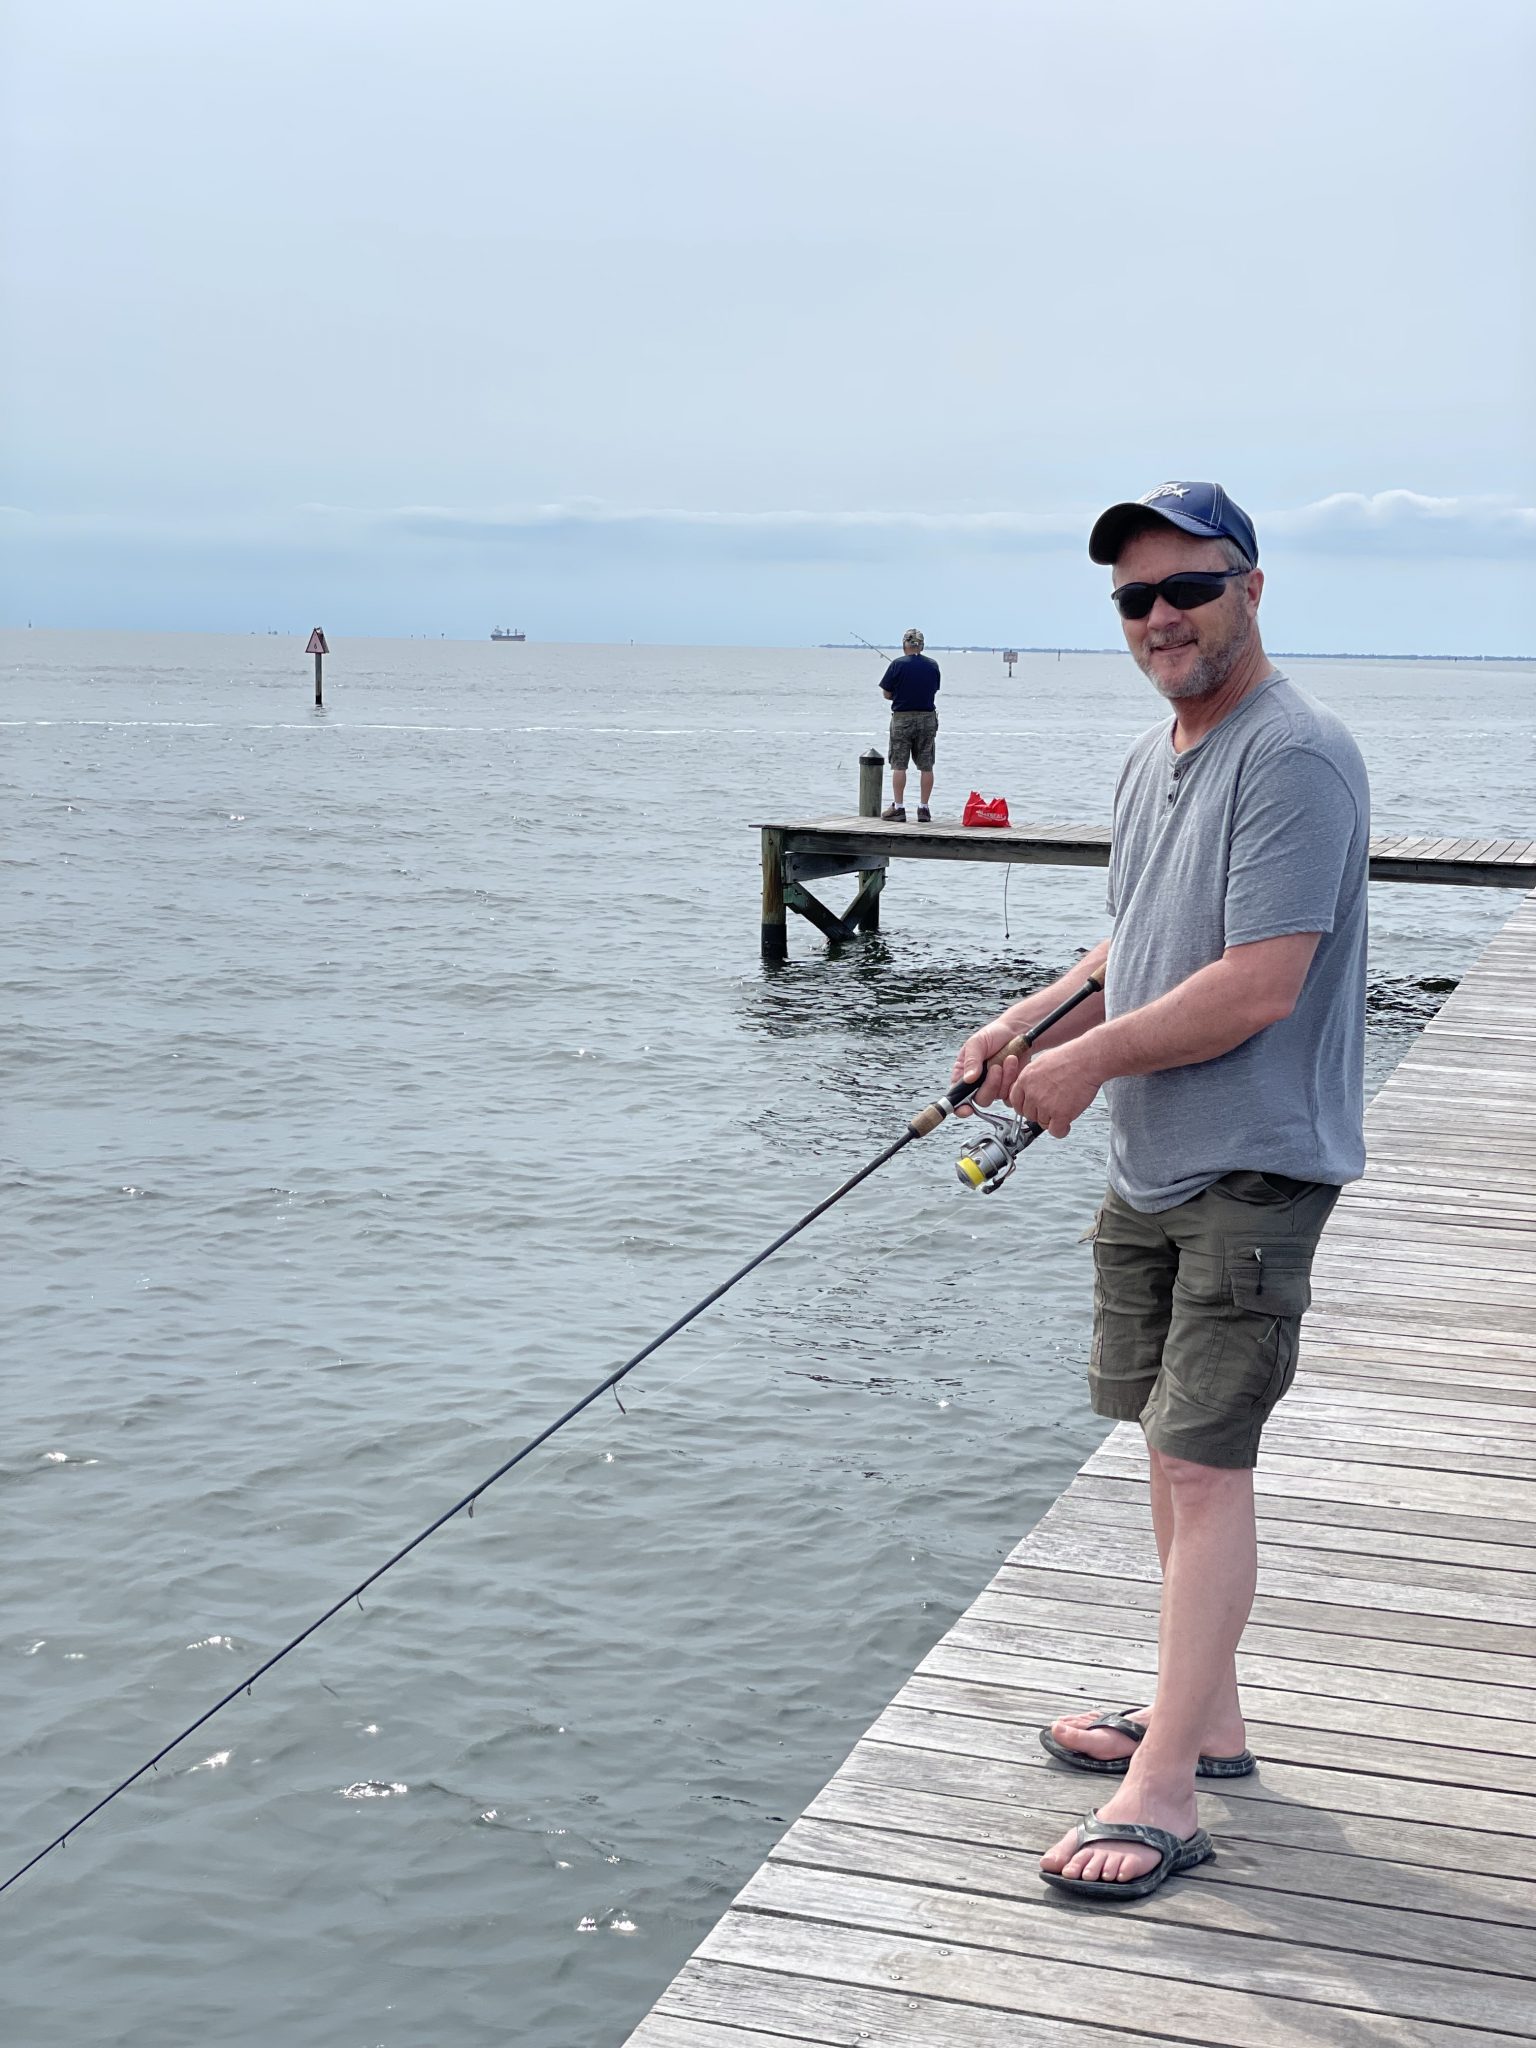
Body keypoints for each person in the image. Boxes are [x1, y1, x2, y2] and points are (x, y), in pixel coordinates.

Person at [951, 481, 1369, 1902]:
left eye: (1186, 588)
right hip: (1153, 1161)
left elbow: (1260, 983)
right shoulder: (1154, 761)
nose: (1159, 618)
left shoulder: (1294, 755)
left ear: (1253, 588)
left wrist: (1084, 1067)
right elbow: (1134, 942)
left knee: (1205, 1460)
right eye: (1133, 598)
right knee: (1161, 1448)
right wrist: (1029, 1027)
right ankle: (1210, 1717)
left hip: (1254, 1164)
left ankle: (1170, 1787)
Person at [878, 629, 940, 822]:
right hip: (927, 718)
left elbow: (887, 694)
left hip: (902, 718)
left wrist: (900, 694)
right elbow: (934, 689)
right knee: (926, 765)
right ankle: (923, 809)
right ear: (921, 645)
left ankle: (899, 807)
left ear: (904, 644)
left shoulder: (897, 664)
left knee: (899, 765)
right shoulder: (933, 665)